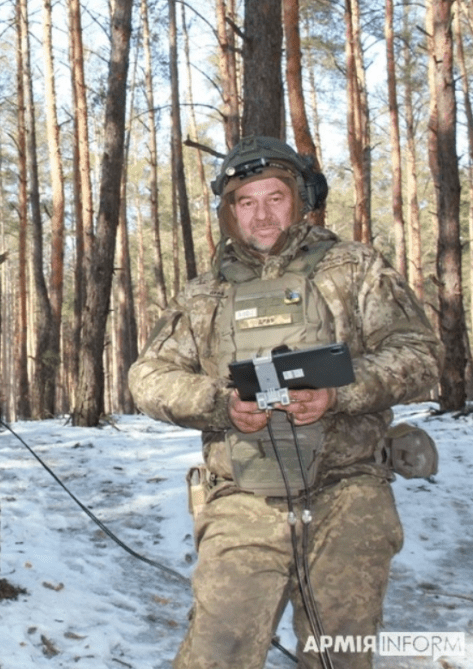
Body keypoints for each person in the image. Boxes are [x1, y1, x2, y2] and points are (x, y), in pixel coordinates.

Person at [127, 136, 441, 669]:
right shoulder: (204, 295)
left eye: (275, 197)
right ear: (229, 213)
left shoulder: (354, 269)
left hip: (348, 490)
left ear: (300, 200)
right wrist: (218, 404)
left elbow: (420, 354)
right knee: (216, 654)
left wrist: (339, 393)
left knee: (339, 653)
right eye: (246, 202)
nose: (262, 215)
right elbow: (148, 377)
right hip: (244, 498)